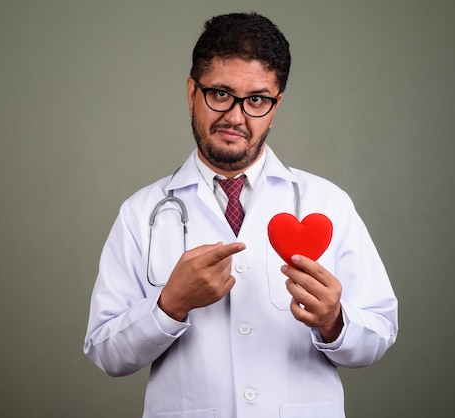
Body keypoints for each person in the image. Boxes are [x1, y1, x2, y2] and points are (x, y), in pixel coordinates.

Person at [83, 12, 398, 418]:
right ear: (191, 92)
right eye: (219, 94)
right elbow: (106, 352)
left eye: (256, 100)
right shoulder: (141, 212)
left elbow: (380, 333)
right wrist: (169, 305)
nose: (235, 116)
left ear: (276, 104)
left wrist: (335, 322)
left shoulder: (328, 203)